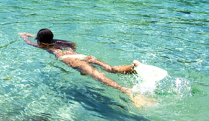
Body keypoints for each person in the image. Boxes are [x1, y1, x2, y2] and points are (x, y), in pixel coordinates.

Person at [20, 28, 153, 108]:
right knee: (110, 68)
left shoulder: (44, 46)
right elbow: (60, 42)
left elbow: (30, 43)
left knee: (98, 76)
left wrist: (25, 37)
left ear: (40, 40)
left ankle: (127, 90)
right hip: (83, 56)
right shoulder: (60, 42)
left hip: (71, 60)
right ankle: (133, 66)